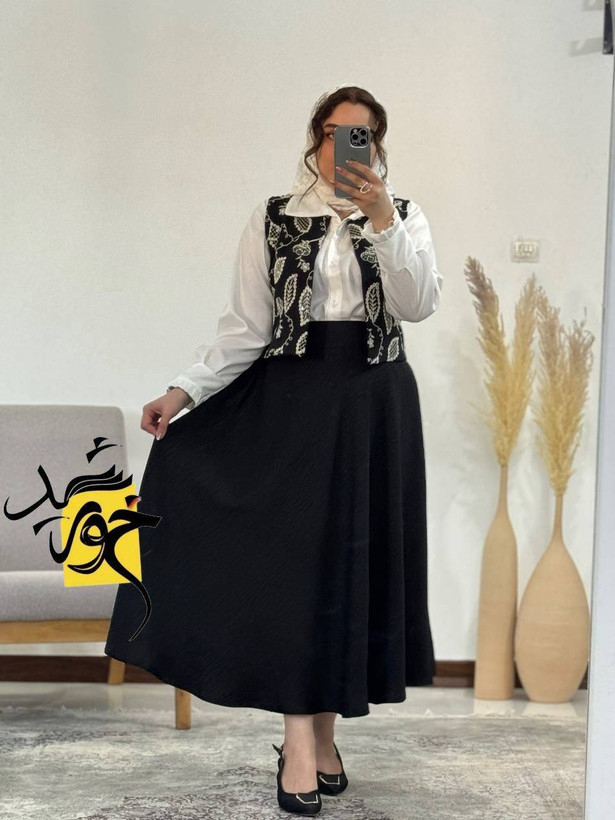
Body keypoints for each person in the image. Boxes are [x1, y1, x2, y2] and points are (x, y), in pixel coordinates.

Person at [104, 83, 443, 815]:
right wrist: (183, 392)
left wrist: (383, 218)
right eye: (332, 133)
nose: (343, 148)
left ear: (377, 145)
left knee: (345, 573)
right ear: (314, 140)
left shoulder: (404, 217)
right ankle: (298, 742)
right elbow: (245, 329)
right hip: (291, 403)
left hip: (373, 406)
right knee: (295, 574)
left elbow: (418, 304)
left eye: (359, 135)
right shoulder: (272, 217)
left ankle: (321, 739)